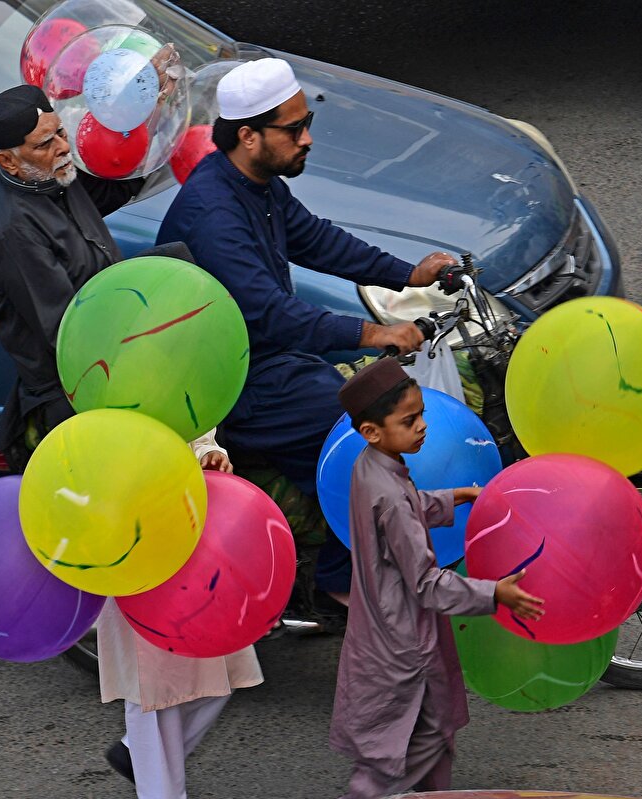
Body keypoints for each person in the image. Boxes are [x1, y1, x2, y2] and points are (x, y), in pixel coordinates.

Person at [156, 58, 463, 608]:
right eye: (293, 129)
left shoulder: (257, 184)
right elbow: (268, 312)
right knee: (369, 433)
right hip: (238, 384)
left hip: (277, 363)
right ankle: (339, 579)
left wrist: (408, 273)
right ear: (248, 136)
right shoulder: (213, 212)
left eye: (305, 125)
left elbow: (318, 241)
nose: (308, 139)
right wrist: (374, 332)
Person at [328, 358, 544, 799]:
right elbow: (426, 583)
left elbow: (404, 511)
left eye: (422, 412)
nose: (424, 426)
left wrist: (454, 496)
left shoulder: (370, 467)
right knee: (409, 747)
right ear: (372, 431)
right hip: (405, 642)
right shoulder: (389, 492)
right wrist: (495, 594)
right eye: (410, 420)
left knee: (400, 744)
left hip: (379, 630)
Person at [0, 84, 147, 471]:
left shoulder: (55, 176)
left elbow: (122, 181)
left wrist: (146, 104)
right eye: (45, 142)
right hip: (81, 396)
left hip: (118, 366)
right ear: (9, 162)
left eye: (61, 133)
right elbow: (66, 331)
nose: (63, 147)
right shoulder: (10, 229)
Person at [97, 429, 263, 799]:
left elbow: (201, 436)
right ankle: (153, 776)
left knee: (224, 673)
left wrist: (211, 456)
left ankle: (139, 757)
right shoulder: (112, 402)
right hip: (137, 556)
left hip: (192, 551)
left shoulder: (183, 391)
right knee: (152, 696)